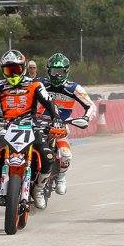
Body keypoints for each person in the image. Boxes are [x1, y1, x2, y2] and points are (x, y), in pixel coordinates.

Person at [0, 50, 60, 208]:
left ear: (23, 68)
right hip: (8, 126)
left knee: (48, 155)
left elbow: (49, 103)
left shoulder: (35, 84)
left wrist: (56, 119)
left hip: (31, 126)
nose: (12, 73)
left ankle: (38, 189)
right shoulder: (0, 86)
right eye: (8, 70)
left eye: (15, 69)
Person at [40, 53, 96, 195]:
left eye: (61, 72)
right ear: (48, 71)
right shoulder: (40, 84)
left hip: (61, 125)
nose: (57, 75)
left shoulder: (74, 88)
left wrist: (86, 118)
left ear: (67, 71)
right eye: (54, 71)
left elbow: (91, 106)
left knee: (65, 154)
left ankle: (61, 178)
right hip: (39, 123)